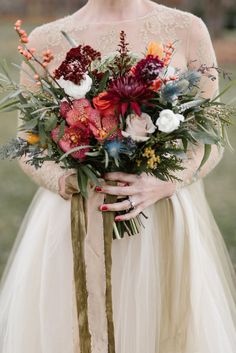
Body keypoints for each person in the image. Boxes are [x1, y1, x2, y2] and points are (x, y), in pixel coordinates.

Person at [0, 0, 236, 352]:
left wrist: (168, 182)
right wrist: (68, 181)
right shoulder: (43, 40)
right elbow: (27, 139)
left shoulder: (186, 28)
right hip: (76, 219)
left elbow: (211, 139)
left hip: (160, 219)